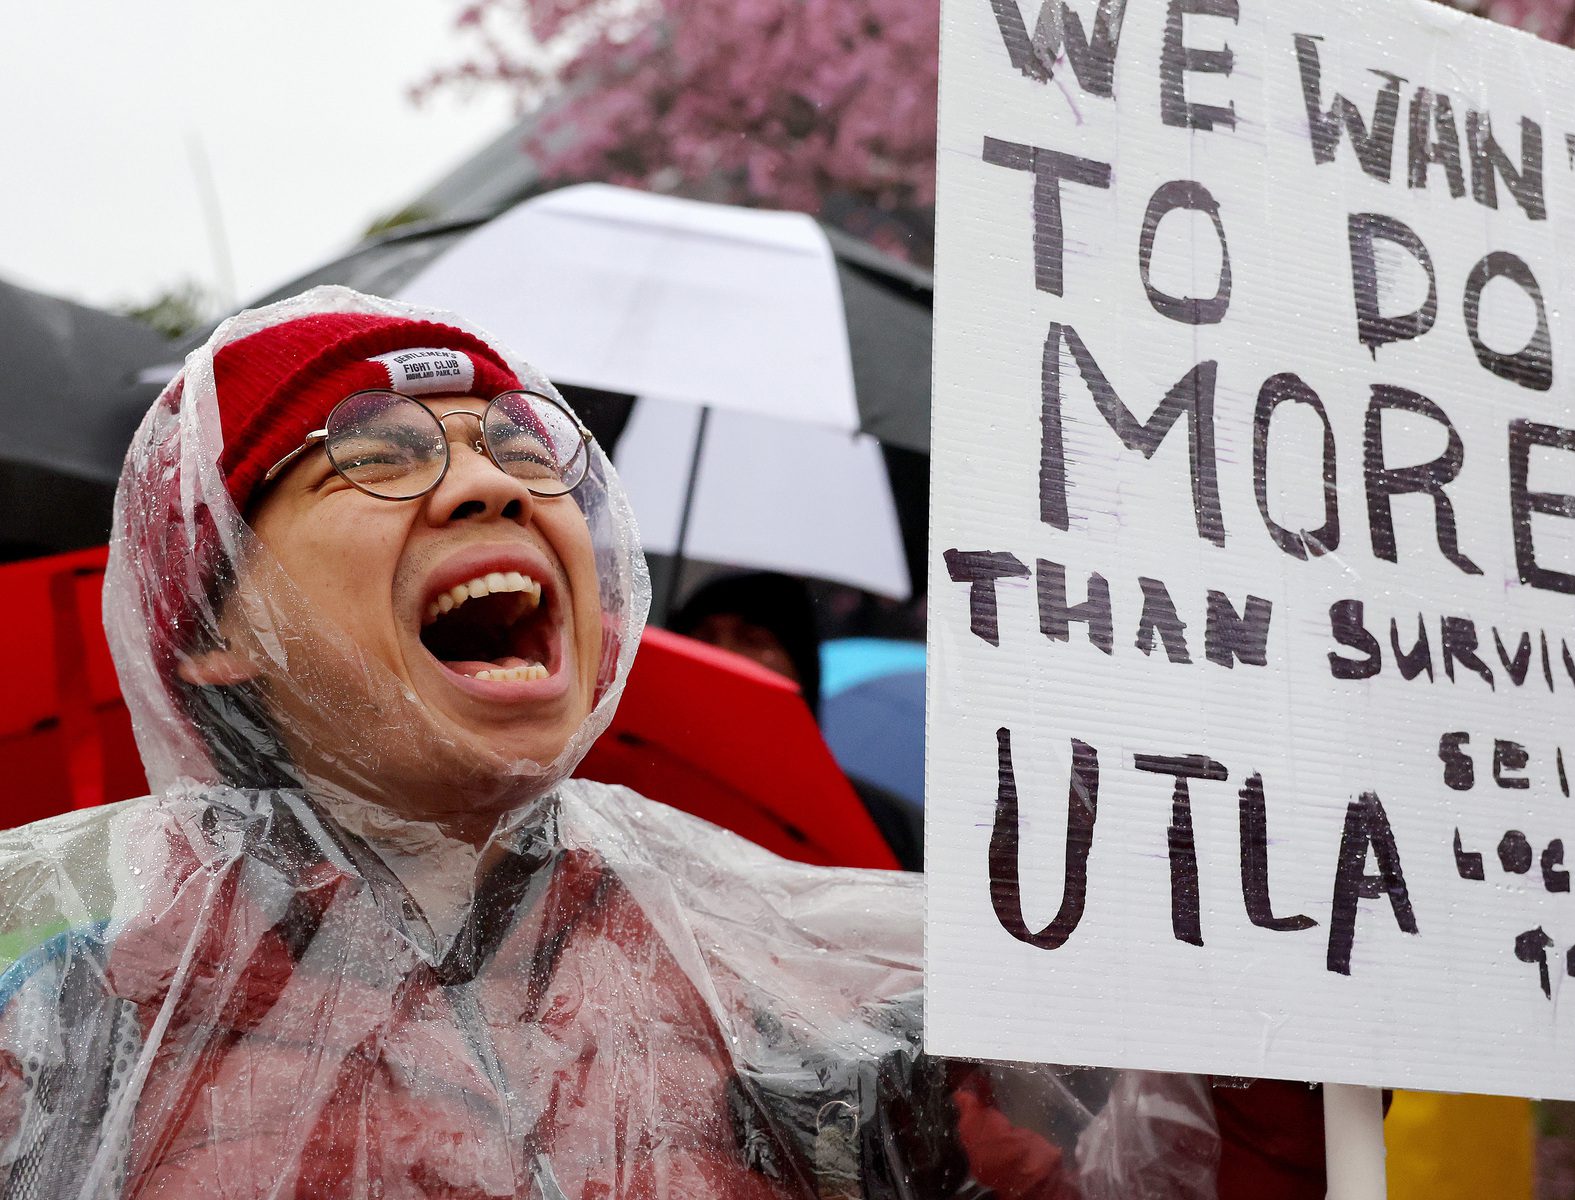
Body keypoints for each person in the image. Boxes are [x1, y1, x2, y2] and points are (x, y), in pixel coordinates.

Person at [0, 287, 1220, 1199]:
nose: (491, 487)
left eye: (528, 453)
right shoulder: (73, 1036)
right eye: (371, 457)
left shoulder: (792, 1001)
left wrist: (1253, 1060)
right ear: (218, 626)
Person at [672, 571, 925, 869]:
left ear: (801, 670)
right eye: (704, 636)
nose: (722, 654)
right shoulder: (639, 791)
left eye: (753, 639)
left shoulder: (879, 824)